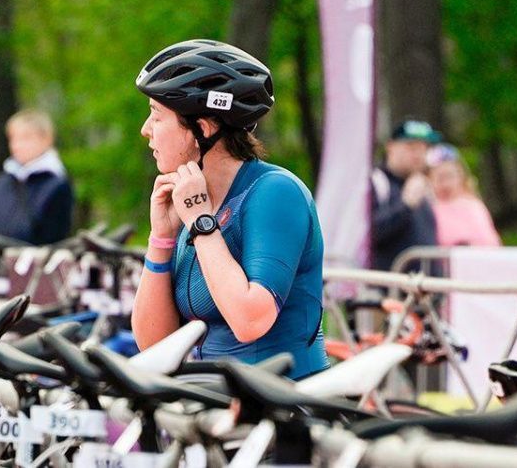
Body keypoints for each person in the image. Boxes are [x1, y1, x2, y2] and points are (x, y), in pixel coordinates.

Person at [131, 39, 327, 379]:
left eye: (157, 116)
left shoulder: (274, 193)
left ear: (202, 129)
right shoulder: (191, 201)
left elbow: (251, 320)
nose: (145, 130)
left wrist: (201, 222)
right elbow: (153, 343)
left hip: (286, 407)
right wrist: (161, 238)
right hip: (216, 404)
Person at [0, 109, 74, 246]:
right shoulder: (1, 183)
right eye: (13, 138)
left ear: (47, 139)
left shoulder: (57, 185)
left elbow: (54, 239)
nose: (17, 145)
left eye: (25, 138)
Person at [369, 120, 441, 271]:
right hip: (389, 288)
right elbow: (368, 234)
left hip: (426, 287)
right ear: (390, 147)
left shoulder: (423, 185)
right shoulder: (376, 182)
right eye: (411, 146)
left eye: (423, 148)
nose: (418, 154)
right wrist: (406, 205)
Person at [427, 143, 501, 248]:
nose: (446, 184)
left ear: (461, 177)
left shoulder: (474, 206)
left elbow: (489, 240)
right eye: (440, 178)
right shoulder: (428, 208)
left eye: (450, 176)